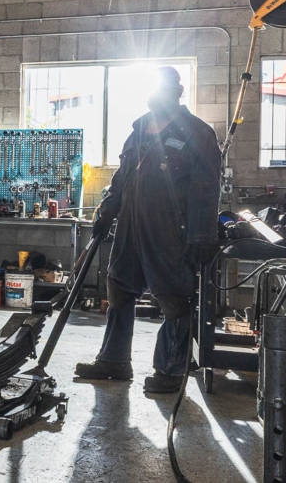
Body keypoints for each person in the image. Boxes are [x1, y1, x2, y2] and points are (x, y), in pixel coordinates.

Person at [74, 67, 221, 395]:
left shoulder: (198, 133)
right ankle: (114, 361)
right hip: (130, 226)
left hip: (170, 230)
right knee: (119, 290)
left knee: (173, 297)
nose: (155, 96)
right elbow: (122, 178)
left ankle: (170, 369)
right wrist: (107, 209)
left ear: (178, 92)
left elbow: (206, 188)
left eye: (163, 90)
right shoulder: (139, 129)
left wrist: (201, 235)